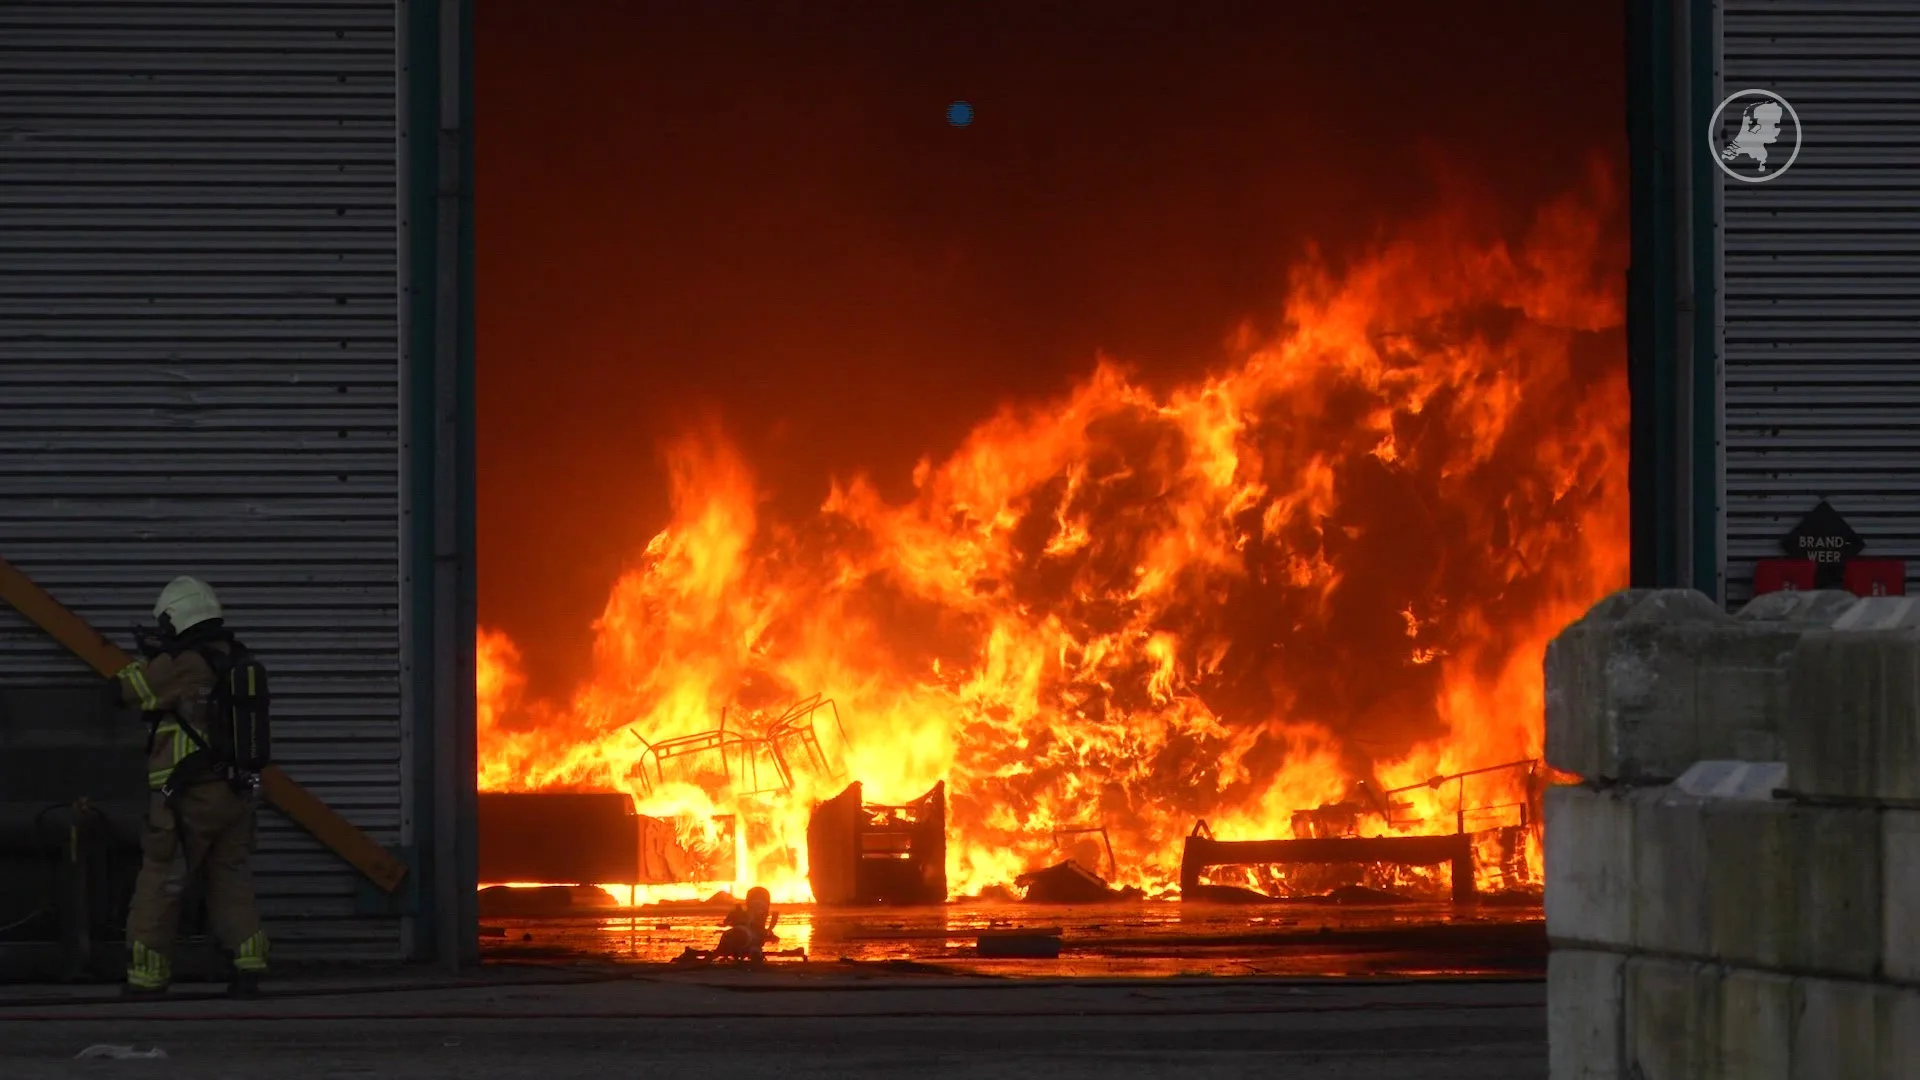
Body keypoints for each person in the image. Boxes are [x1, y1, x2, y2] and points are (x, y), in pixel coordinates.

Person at [113, 576, 270, 997]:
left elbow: (127, 691)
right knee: (230, 876)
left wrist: (141, 661)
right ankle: (248, 963)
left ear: (177, 618)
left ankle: (147, 975)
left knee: (161, 876)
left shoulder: (183, 662)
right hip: (236, 792)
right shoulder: (235, 657)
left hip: (189, 794)